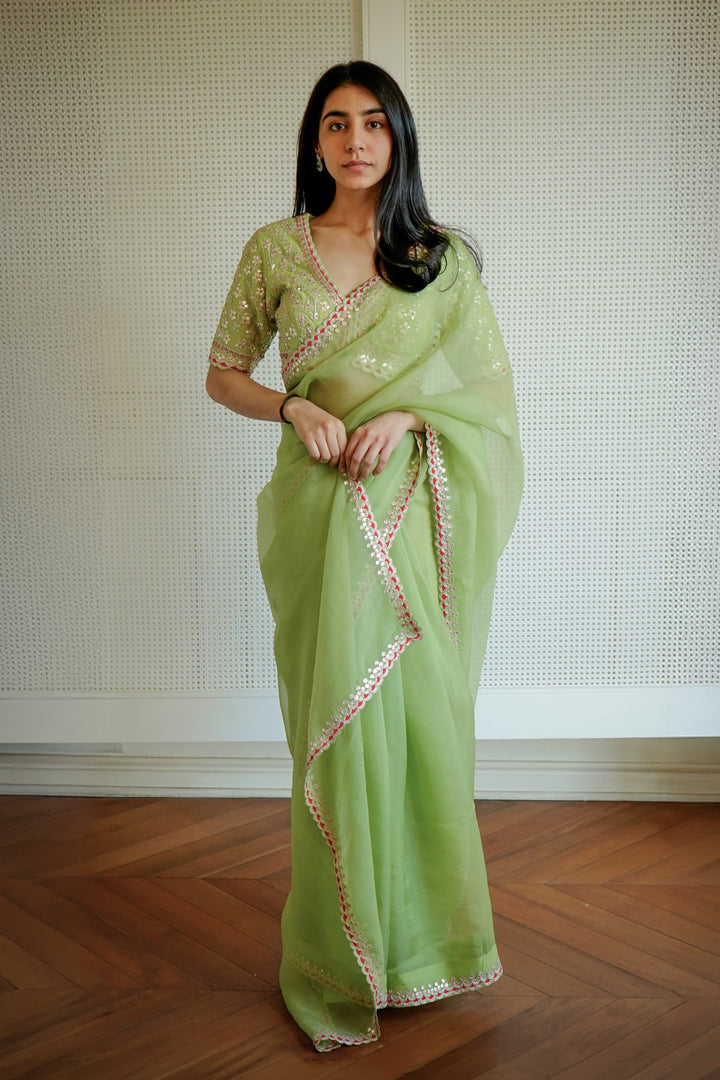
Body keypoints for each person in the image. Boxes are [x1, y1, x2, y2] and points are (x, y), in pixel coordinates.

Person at [206, 61, 523, 1053]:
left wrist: (414, 419)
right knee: (334, 729)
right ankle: (340, 956)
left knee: (419, 722)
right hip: (315, 515)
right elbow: (221, 375)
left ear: (400, 139)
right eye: (336, 124)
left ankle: (421, 951)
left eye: (374, 124)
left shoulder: (438, 261)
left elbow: (491, 414)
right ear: (314, 143)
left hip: (410, 523)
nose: (355, 140)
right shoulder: (275, 252)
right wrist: (291, 403)